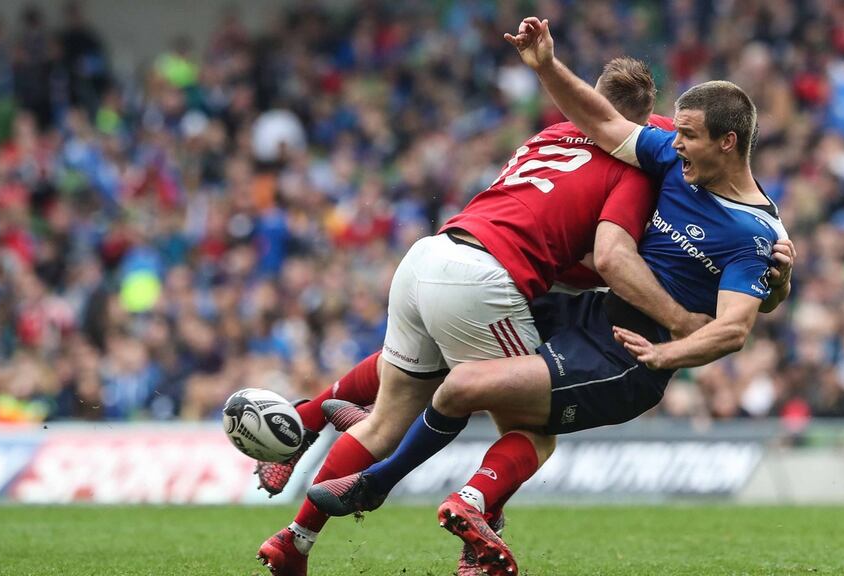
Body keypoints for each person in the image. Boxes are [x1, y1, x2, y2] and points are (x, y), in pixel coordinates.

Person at [309, 17, 794, 576]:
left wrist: (667, 351)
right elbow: (603, 119)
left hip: (626, 359)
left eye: (688, 135)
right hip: (588, 313)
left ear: (727, 143)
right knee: (459, 333)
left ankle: (380, 482)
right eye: (676, 132)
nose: (674, 141)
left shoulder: (755, 234)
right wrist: (545, 66)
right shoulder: (672, 163)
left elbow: (735, 327)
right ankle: (457, 494)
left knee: (471, 386)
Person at [256, 57, 707, 576]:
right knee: (532, 428)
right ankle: (474, 530)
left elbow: (559, 249)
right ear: (643, 118)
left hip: (428, 257)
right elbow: (608, 257)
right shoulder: (634, 166)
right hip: (483, 279)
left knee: (384, 422)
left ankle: (295, 539)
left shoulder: (550, 136)